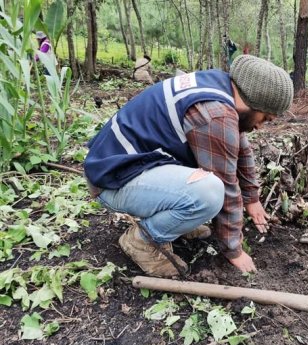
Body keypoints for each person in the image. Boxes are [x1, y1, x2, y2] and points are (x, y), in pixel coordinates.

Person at [84, 55, 294, 277]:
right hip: (112, 181)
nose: (261, 126)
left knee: (205, 193)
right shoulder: (215, 113)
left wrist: (252, 198)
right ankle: (142, 241)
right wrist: (234, 250)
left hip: (122, 166)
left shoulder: (221, 87)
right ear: (254, 102)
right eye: (266, 118)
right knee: (210, 192)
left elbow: (241, 146)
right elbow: (226, 183)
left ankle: (180, 218)